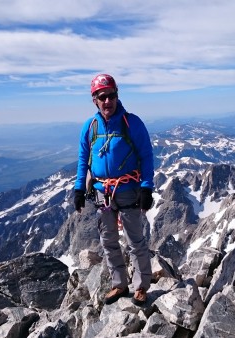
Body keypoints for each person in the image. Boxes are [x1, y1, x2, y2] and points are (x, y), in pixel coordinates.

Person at [74, 73, 155, 306]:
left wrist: (146, 187)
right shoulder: (90, 128)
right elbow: (83, 159)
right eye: (102, 97)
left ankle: (141, 287)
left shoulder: (132, 123)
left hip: (128, 189)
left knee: (135, 241)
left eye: (111, 96)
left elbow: (147, 156)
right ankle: (119, 284)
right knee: (108, 240)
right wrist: (79, 189)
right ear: (95, 100)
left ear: (117, 96)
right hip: (102, 193)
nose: (107, 101)